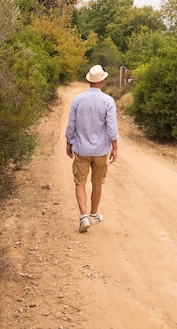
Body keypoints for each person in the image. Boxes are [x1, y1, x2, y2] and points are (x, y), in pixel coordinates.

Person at [65, 65, 119, 233]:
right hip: (101, 150)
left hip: (81, 149)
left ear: (89, 80)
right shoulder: (108, 101)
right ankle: (94, 214)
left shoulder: (78, 99)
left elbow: (71, 125)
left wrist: (69, 142)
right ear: (102, 81)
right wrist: (115, 148)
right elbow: (111, 128)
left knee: (79, 182)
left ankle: (83, 217)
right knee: (97, 183)